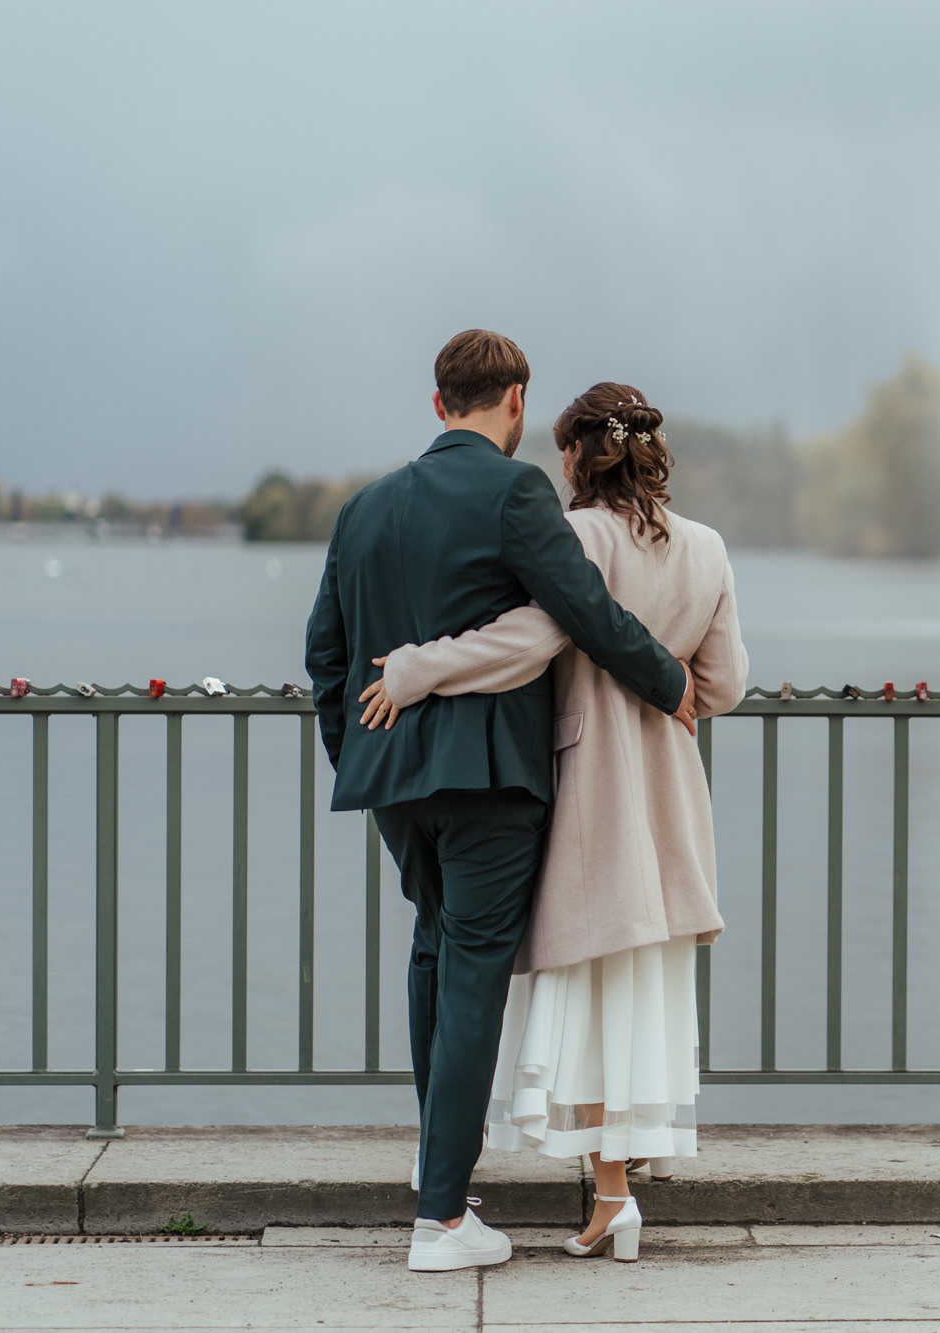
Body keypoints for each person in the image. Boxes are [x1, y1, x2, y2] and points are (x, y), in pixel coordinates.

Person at [305, 335, 698, 1273]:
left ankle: (437, 1167)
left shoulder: (363, 509)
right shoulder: (515, 492)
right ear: (514, 402)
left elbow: (326, 655)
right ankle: (440, 1220)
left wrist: (361, 754)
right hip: (490, 779)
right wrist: (666, 683)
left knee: (434, 951)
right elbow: (583, 608)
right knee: (476, 969)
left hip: (393, 776)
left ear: (438, 401)